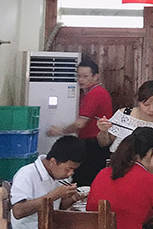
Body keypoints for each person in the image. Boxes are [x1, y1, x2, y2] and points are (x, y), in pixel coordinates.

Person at [9, 136, 84, 229]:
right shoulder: (26, 174)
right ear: (53, 162)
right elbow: (18, 211)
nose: (70, 173)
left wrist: (73, 198)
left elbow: (57, 207)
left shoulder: (56, 176)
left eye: (73, 170)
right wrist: (54, 195)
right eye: (68, 169)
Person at [48, 57, 113, 187]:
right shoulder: (86, 93)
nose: (81, 80)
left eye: (85, 76)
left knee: (84, 180)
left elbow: (80, 123)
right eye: (79, 76)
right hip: (92, 144)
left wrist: (60, 131)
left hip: (94, 144)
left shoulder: (95, 93)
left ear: (96, 76)